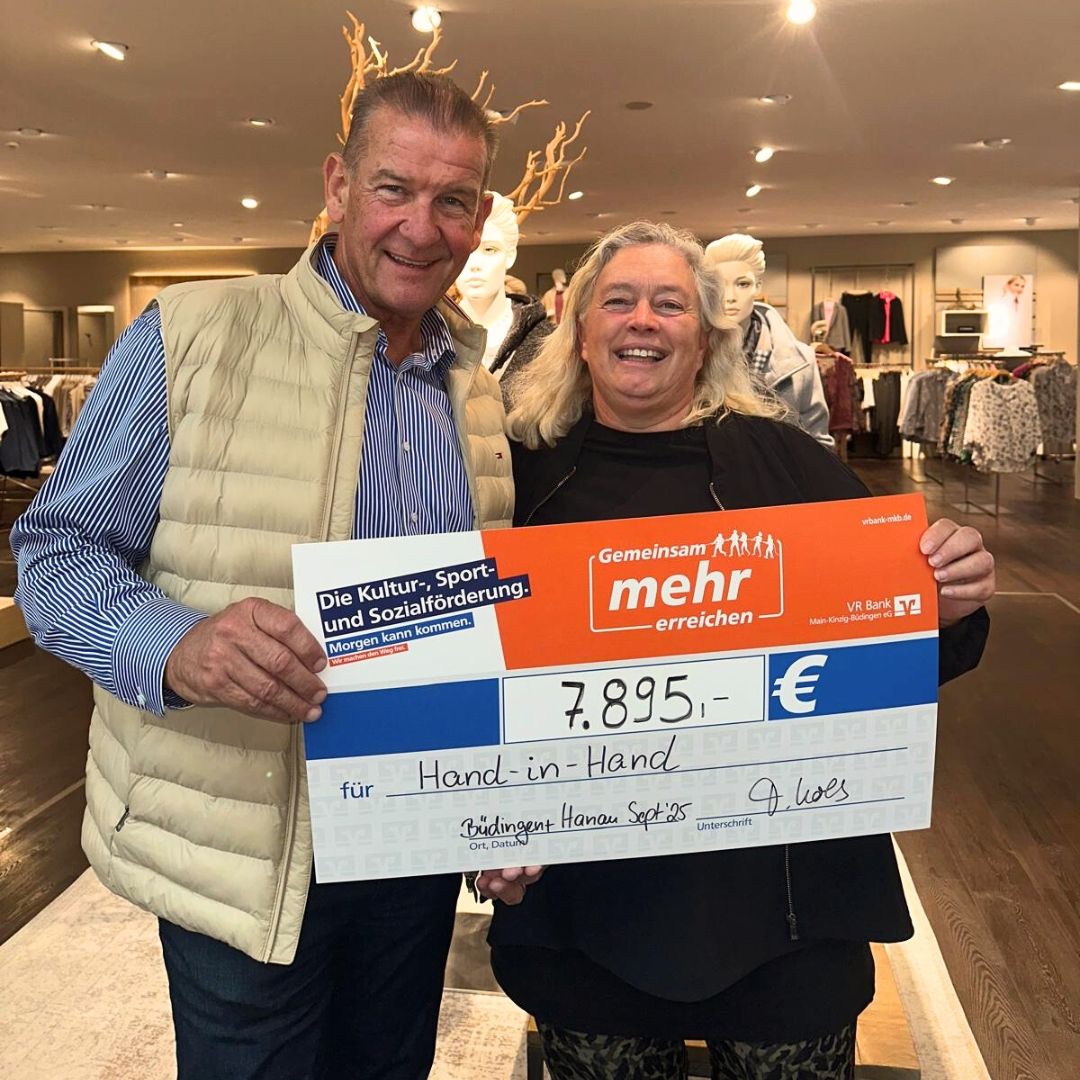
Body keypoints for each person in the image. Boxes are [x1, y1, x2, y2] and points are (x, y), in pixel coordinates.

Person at [11, 72, 516, 1080]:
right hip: (247, 851)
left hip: (410, 840)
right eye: (393, 189)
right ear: (337, 185)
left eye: (453, 200)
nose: (421, 228)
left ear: (481, 216)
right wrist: (179, 645)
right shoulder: (192, 336)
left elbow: (484, 618)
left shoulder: (474, 387)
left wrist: (498, 801)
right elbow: (54, 555)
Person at [477, 221, 995, 1079]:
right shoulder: (516, 479)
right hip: (583, 912)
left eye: (670, 303)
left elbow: (895, 654)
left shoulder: (789, 467)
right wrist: (476, 827)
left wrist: (945, 604)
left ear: (709, 337)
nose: (643, 320)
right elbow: (462, 683)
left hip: (781, 916)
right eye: (619, 300)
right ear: (580, 331)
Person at [703, 233, 833, 446]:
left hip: (780, 466)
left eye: (742, 284)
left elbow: (818, 443)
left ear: (758, 286)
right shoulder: (692, 354)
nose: (730, 296)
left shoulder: (800, 361)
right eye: (720, 284)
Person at [454, 192, 553, 403]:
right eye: (465, 249)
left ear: (510, 255)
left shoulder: (547, 341)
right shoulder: (426, 336)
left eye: (489, 249)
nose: (474, 265)